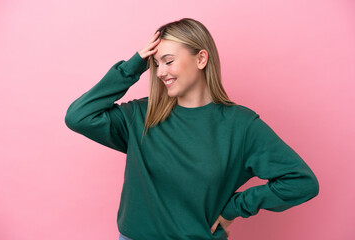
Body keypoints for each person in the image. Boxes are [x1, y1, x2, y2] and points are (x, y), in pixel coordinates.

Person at [65, 18, 319, 240]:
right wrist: (132, 67)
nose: (161, 72)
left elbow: (301, 182)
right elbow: (78, 116)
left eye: (168, 61)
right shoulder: (140, 115)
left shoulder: (241, 126)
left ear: (201, 58)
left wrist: (235, 208)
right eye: (156, 64)